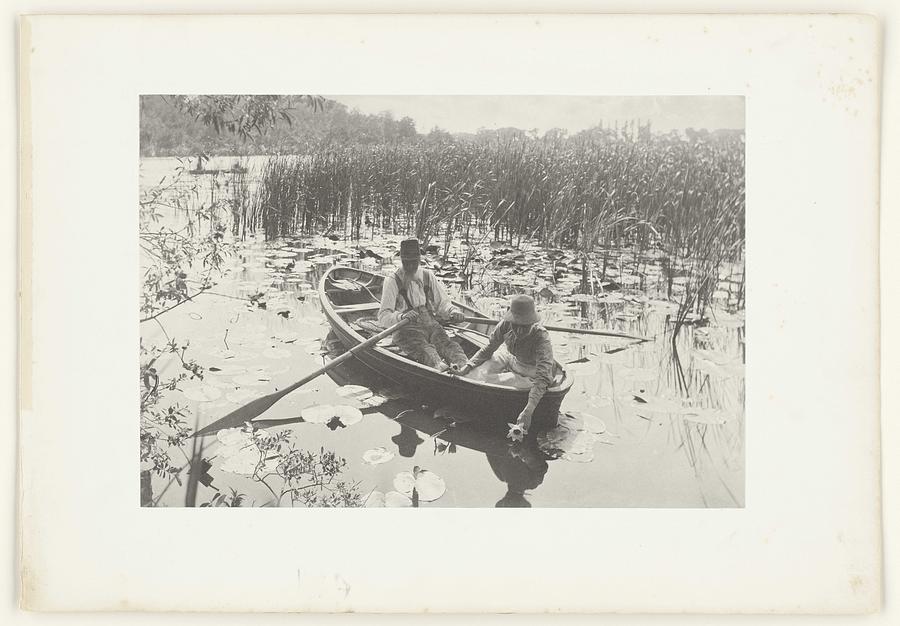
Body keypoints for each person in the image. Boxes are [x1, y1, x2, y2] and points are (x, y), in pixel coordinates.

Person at [452, 295, 555, 439]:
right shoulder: (506, 324)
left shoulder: (541, 338)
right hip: (510, 357)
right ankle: (473, 381)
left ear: (532, 323)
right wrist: (467, 367)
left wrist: (528, 411)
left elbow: (543, 377)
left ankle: (504, 384)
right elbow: (488, 349)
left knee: (500, 381)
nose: (518, 330)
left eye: (524, 326)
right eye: (515, 324)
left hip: (530, 370)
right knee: (480, 371)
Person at [378, 238, 468, 370]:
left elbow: (442, 303)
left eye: (414, 262)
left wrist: (452, 312)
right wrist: (401, 317)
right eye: (406, 262)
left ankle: (465, 368)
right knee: (427, 351)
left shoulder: (427, 276)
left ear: (420, 259)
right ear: (401, 259)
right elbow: (383, 317)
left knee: (450, 346)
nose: (410, 266)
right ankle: (441, 370)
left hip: (431, 324)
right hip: (406, 329)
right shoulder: (392, 280)